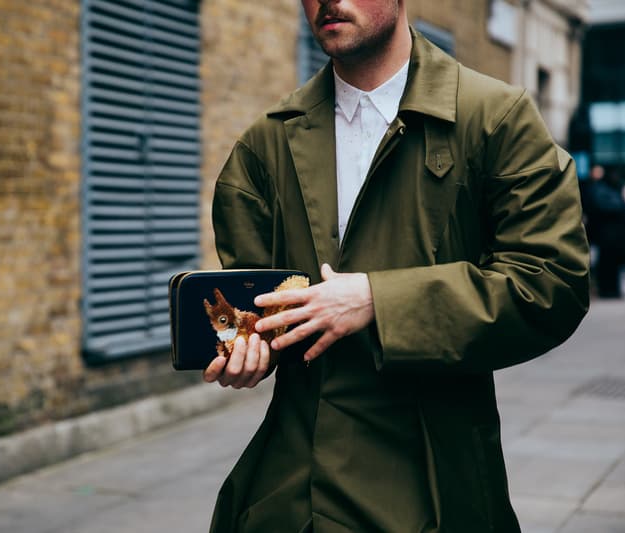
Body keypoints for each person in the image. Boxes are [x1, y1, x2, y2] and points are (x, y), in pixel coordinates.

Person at [204, 1, 590, 531]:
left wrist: (378, 302)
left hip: (435, 484)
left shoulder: (496, 118)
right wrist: (248, 351)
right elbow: (257, 308)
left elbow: (551, 282)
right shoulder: (265, 144)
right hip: (294, 490)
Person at [588, 167, 625, 298]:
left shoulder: (610, 190)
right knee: (610, 264)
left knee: (615, 263)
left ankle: (617, 289)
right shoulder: (601, 190)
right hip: (611, 236)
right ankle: (611, 289)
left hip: (616, 236)